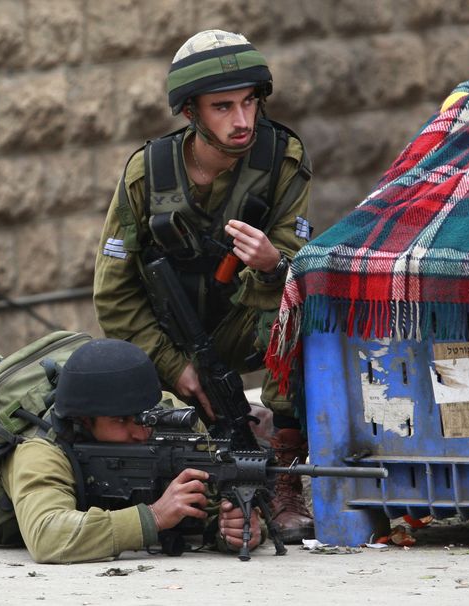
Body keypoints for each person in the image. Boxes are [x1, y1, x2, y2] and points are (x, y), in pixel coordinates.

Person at [93, 29, 314, 542]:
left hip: (244, 328)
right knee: (97, 375)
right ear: (191, 112)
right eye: (222, 107)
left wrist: (272, 263)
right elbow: (114, 295)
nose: (242, 121)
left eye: (249, 103)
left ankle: (281, 471)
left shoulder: (280, 159)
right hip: (166, 344)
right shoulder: (147, 175)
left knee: (308, 310)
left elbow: (297, 265)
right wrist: (177, 367)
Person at [0, 338, 263, 564]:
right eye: (120, 422)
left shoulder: (173, 427)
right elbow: (48, 538)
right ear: (84, 421)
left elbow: (207, 503)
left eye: (143, 417)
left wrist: (231, 527)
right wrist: (154, 517)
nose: (141, 432)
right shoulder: (41, 450)